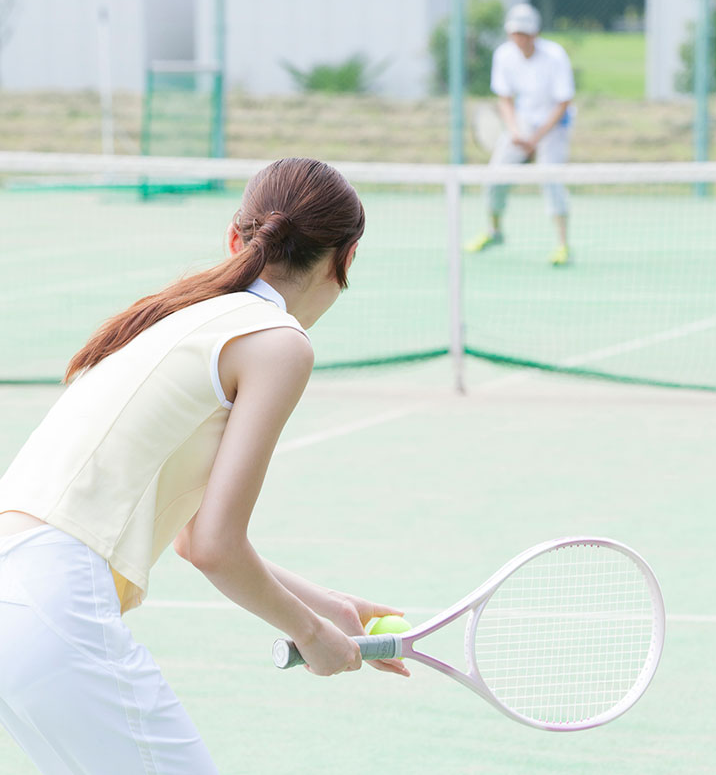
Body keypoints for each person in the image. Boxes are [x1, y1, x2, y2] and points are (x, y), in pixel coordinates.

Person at [0, 157, 410, 774]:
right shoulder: (279, 342)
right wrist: (311, 635)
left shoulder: (181, 317)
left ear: (235, 238)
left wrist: (334, 608)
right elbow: (218, 545)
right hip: (55, 606)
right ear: (345, 259)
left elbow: (193, 539)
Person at [466, 3, 576, 265]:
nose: (520, 38)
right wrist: (515, 132)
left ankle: (563, 246)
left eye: (525, 33)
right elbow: (505, 99)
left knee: (552, 181)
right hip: (521, 125)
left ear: (536, 34)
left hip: (554, 125)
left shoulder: (555, 56)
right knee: (494, 177)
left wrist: (536, 139)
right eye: (515, 33)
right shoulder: (504, 55)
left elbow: (563, 103)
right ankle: (495, 231)